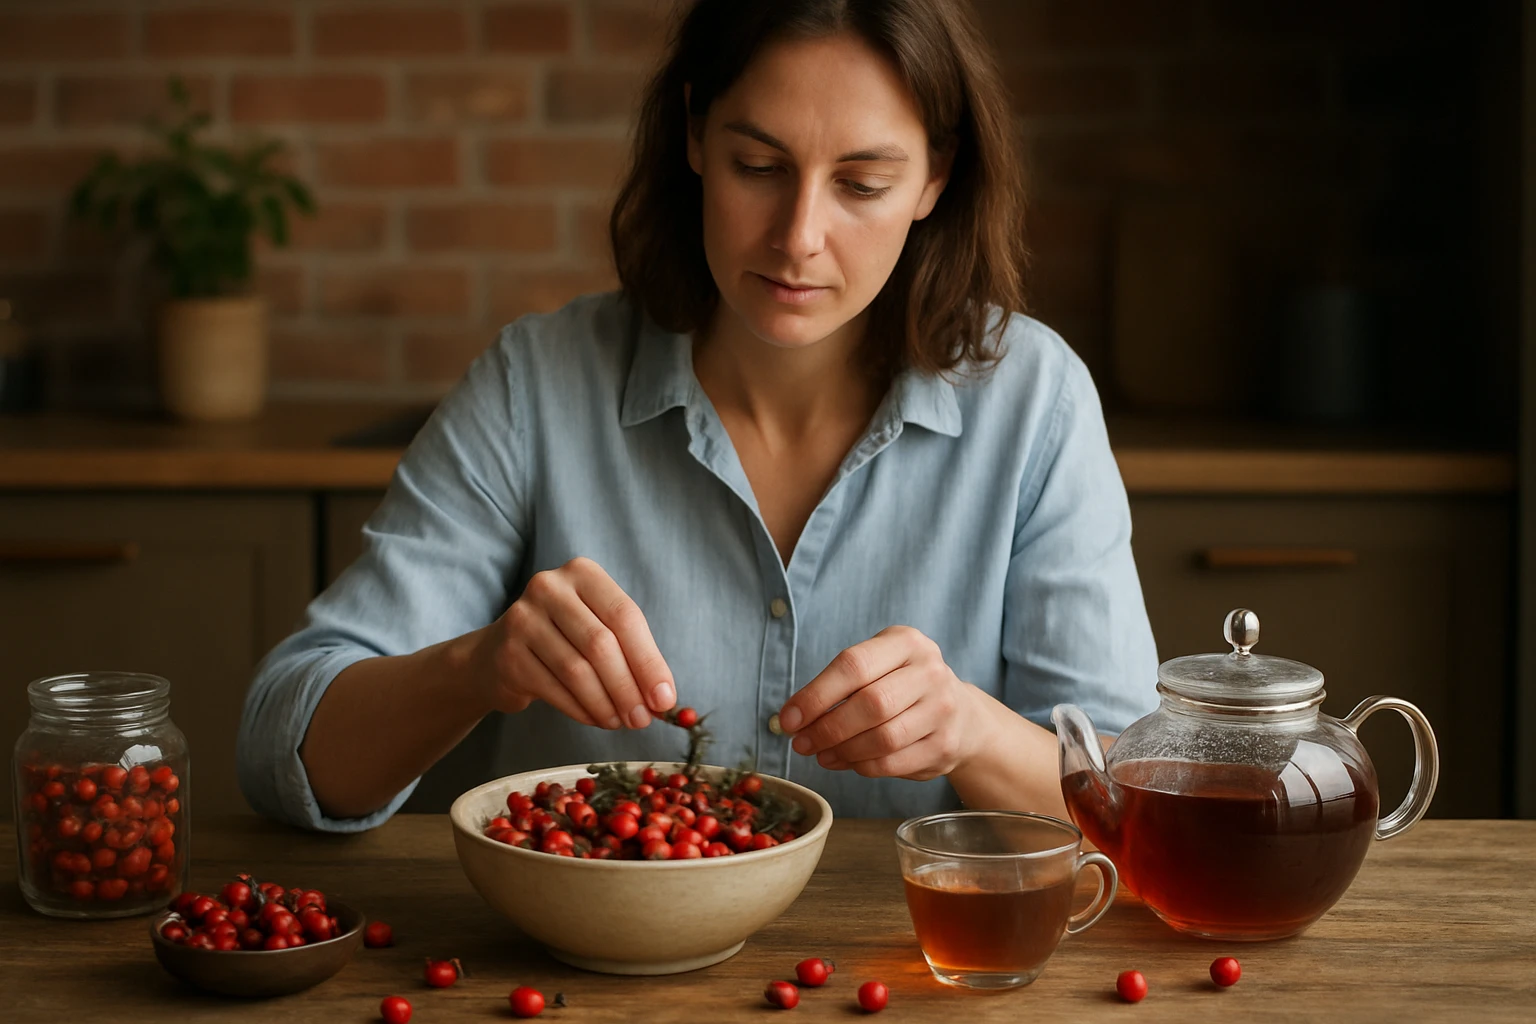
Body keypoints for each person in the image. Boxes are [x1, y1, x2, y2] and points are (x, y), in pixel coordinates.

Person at [237, 0, 1157, 833]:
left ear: (935, 180)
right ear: (692, 136)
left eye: (862, 185)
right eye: (757, 165)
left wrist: (972, 731)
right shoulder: (539, 382)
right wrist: (479, 667)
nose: (798, 236)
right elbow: (286, 752)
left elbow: (1143, 804)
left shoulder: (1033, 400)